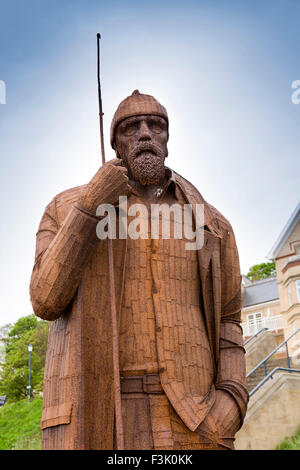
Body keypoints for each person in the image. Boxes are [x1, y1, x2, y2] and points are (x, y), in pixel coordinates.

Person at [30, 90, 248, 450]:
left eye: (156, 125)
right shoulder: (64, 207)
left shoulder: (211, 223)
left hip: (194, 419)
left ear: (166, 138)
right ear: (115, 142)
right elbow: (45, 299)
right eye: (131, 127)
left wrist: (231, 400)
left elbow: (229, 319)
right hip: (100, 417)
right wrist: (89, 207)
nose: (145, 134)